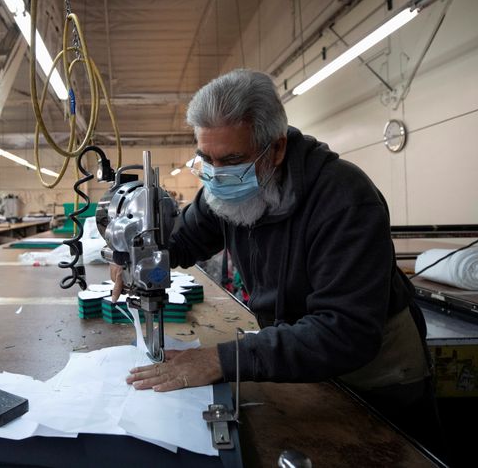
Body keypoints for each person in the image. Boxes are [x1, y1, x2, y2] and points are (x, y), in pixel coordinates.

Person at [112, 69, 436, 448]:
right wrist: (138, 252)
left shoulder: (344, 199)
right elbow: (181, 241)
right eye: (207, 159)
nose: (217, 175)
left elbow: (344, 331)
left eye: (232, 160)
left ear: (277, 149)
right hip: (294, 353)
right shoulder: (223, 187)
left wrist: (223, 359)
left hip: (374, 376)